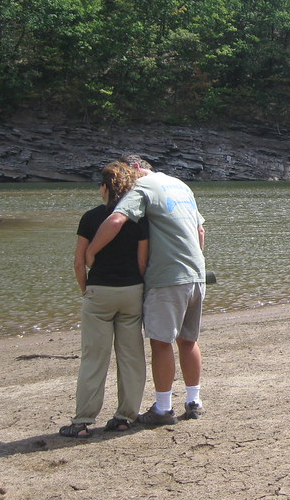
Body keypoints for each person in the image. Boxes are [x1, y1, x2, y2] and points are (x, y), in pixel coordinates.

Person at [85, 154, 206, 426]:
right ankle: (194, 402)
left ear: (137, 168)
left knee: (161, 342)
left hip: (168, 277)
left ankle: (163, 409)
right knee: (188, 340)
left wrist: (90, 253)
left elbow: (116, 220)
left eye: (127, 173)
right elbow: (200, 231)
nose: (125, 182)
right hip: (195, 273)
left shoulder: (144, 187)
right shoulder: (180, 184)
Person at [60, 161, 149, 438]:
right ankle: (125, 417)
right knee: (131, 358)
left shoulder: (90, 218)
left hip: (100, 293)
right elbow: (142, 262)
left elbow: (78, 262)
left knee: (94, 358)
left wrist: (86, 289)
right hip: (132, 291)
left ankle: (82, 421)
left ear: (104, 187)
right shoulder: (140, 218)